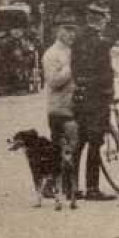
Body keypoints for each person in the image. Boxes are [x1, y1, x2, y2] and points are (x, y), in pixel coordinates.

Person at [70, 2, 117, 201]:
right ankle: (92, 188)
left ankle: (70, 187)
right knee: (95, 142)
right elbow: (105, 74)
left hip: (80, 96)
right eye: (105, 19)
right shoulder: (101, 43)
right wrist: (109, 90)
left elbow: (75, 68)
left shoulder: (78, 38)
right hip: (97, 98)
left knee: (78, 142)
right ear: (101, 20)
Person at [42, 15, 79, 199]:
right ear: (58, 31)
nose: (71, 34)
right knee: (60, 147)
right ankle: (50, 183)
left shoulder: (75, 51)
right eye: (67, 29)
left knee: (73, 146)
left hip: (74, 105)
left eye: (73, 30)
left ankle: (67, 185)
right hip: (59, 107)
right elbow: (53, 81)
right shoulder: (51, 54)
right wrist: (71, 68)